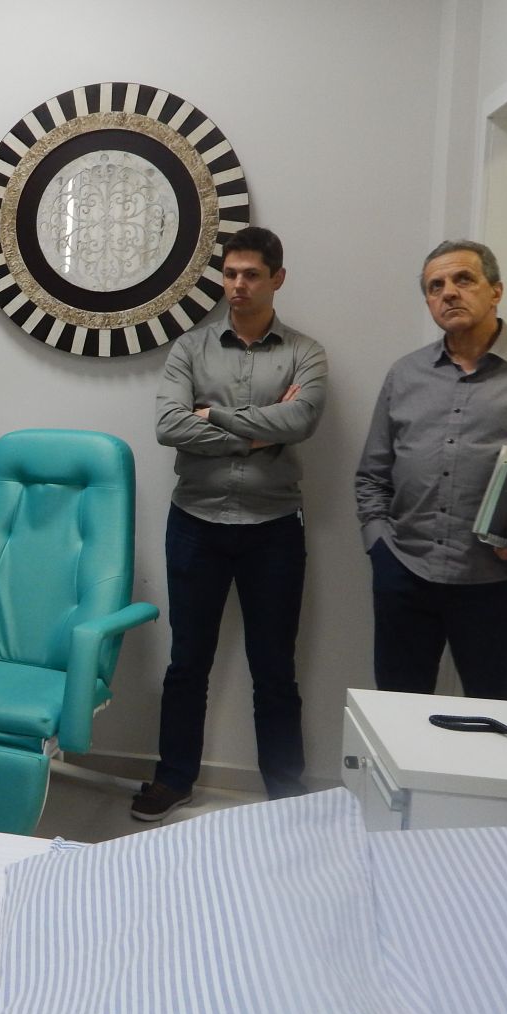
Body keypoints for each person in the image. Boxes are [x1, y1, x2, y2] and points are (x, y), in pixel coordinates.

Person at [132, 227, 327, 823]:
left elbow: (302, 419)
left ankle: (285, 788)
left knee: (275, 668)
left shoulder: (305, 353)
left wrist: (212, 415)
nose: (238, 285)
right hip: (197, 522)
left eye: (251, 275)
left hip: (274, 527)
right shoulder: (190, 348)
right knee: (188, 662)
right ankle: (174, 778)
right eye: (231, 273)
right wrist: (258, 432)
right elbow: (168, 425)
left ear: (277, 279)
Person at [355, 239, 507, 700]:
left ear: (496, 290)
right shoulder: (405, 374)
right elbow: (372, 474)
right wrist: (380, 548)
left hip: (500, 582)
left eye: (463, 279)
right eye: (435, 286)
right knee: (396, 714)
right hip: (406, 574)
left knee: (494, 715)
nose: (449, 293)